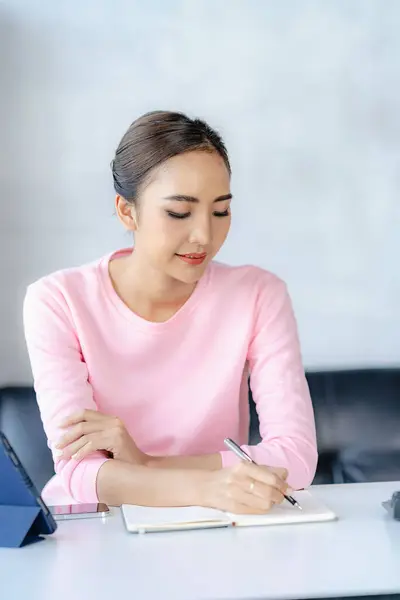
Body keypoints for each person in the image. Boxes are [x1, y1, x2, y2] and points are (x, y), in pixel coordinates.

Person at [23, 110, 318, 514]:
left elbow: (297, 459)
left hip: (217, 528)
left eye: (220, 211)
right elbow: (80, 473)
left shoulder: (258, 295)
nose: (204, 236)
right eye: (179, 213)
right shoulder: (58, 301)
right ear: (128, 211)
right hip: (95, 528)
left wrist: (144, 464)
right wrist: (206, 487)